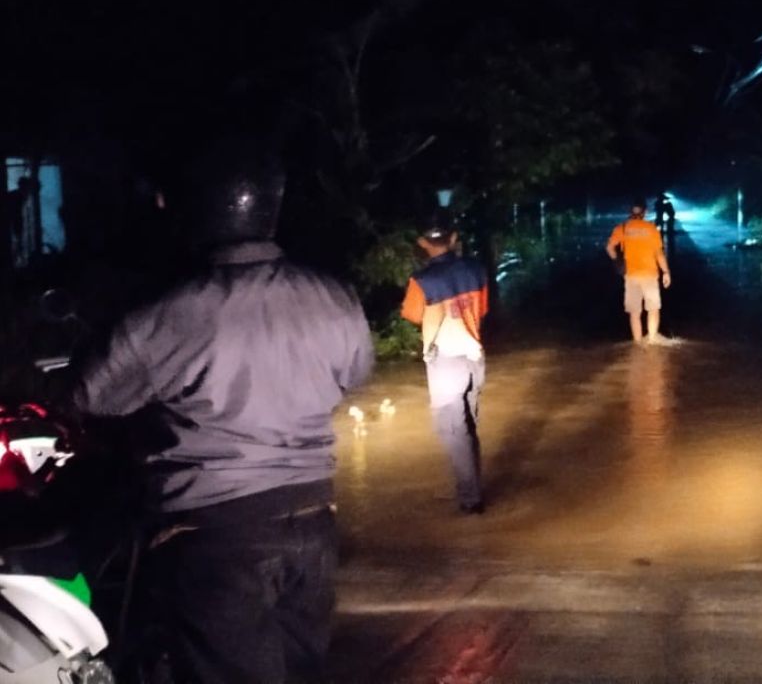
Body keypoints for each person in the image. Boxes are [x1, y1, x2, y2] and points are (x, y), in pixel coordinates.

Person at [72, 133, 375, 683]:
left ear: (194, 213)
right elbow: (355, 376)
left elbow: (91, 396)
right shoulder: (334, 297)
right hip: (313, 523)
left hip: (217, 533)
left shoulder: (170, 313)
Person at [401, 213, 489, 514]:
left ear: (423, 243)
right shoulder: (476, 269)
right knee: (469, 425)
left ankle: (470, 499)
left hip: (445, 362)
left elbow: (413, 315)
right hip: (475, 357)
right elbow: (483, 308)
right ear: (453, 239)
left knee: (453, 430)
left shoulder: (422, 281)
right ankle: (473, 486)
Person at [606, 199, 672, 344]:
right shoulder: (651, 229)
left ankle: (637, 343)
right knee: (653, 308)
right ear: (645, 212)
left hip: (631, 276)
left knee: (634, 312)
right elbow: (659, 253)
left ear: (630, 212)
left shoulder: (622, 228)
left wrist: (617, 261)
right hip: (650, 275)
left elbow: (609, 248)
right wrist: (666, 272)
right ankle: (653, 339)